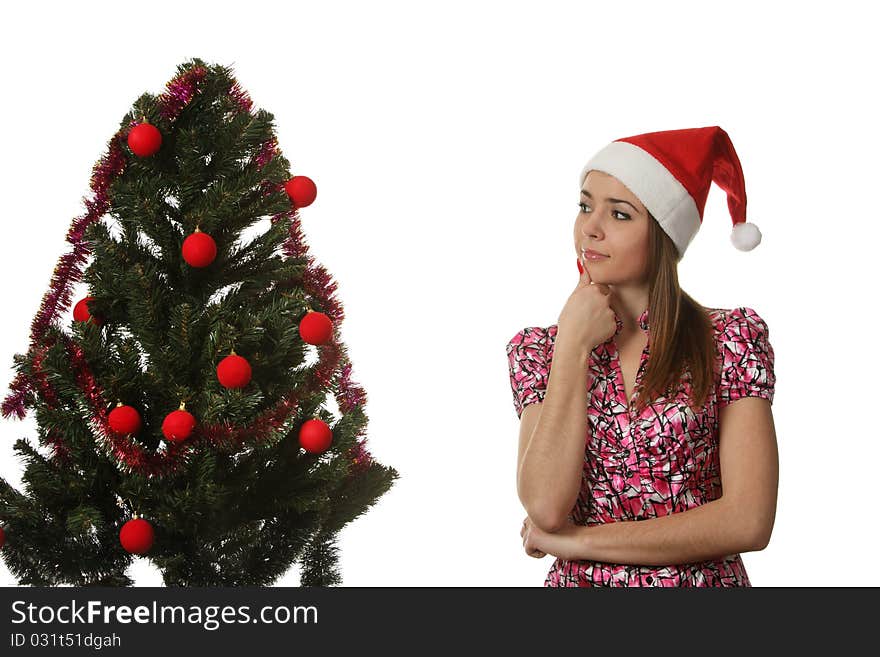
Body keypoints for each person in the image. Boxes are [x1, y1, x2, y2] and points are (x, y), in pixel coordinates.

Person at [507, 126, 778, 586]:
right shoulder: (541, 350)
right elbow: (547, 508)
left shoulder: (730, 339)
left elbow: (748, 520)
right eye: (585, 205)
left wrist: (578, 543)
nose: (591, 226)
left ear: (663, 233)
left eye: (620, 214)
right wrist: (573, 343)